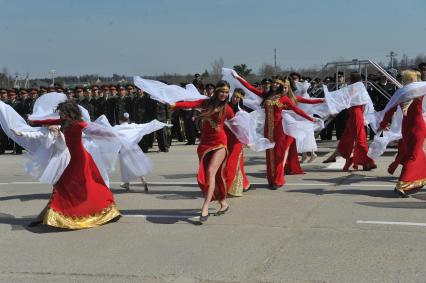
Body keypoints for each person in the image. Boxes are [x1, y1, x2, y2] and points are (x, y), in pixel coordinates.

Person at [21, 100, 121, 229]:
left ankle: (43, 216)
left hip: (82, 160)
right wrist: (31, 119)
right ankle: (107, 211)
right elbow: (43, 122)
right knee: (68, 186)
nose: (60, 114)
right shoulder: (64, 123)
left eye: (62, 112)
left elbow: (94, 131)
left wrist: (113, 135)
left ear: (69, 112)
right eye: (60, 112)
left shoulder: (79, 124)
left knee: (71, 185)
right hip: (74, 159)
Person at [234, 74, 318, 189]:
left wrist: (311, 119)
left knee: (279, 155)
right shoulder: (266, 96)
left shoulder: (284, 98)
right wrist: (238, 77)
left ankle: (278, 180)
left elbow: (297, 110)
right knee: (269, 155)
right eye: (274, 82)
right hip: (268, 130)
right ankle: (271, 180)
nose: (274, 84)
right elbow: (250, 88)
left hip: (279, 130)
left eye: (277, 83)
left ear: (281, 85)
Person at [171, 80, 234, 222]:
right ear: (217, 91)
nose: (224, 94)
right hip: (205, 144)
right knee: (211, 176)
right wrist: (175, 105)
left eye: (226, 92)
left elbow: (237, 123)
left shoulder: (227, 109)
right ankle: (223, 202)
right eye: (222, 91)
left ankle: (205, 207)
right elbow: (191, 104)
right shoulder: (206, 103)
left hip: (220, 143)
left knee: (211, 172)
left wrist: (246, 137)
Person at [379, 70, 426, 197]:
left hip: (406, 127)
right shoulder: (420, 89)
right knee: (414, 155)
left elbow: (389, 109)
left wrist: (383, 125)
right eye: (417, 78)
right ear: (413, 79)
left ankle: (413, 182)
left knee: (416, 154)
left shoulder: (400, 92)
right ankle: (402, 184)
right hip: (418, 126)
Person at [323, 73, 377, 171]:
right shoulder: (361, 88)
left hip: (355, 116)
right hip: (355, 116)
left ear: (351, 80)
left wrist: (329, 100)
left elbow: (342, 99)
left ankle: (368, 161)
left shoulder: (354, 88)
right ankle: (359, 161)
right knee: (347, 139)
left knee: (359, 139)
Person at [225, 88, 251, 196]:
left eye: (238, 97)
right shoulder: (225, 107)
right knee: (233, 164)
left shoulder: (242, 112)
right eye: (234, 96)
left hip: (236, 141)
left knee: (232, 163)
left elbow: (246, 128)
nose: (235, 99)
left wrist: (247, 140)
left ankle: (227, 187)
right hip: (225, 138)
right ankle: (244, 183)